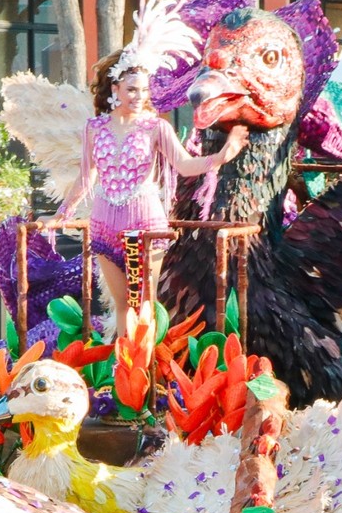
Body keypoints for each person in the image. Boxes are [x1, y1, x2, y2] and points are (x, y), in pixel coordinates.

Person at [59, 31, 247, 322]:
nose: (139, 97)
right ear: (115, 88)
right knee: (122, 305)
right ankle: (123, 367)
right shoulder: (94, 128)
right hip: (103, 223)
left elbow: (183, 165)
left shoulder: (155, 127)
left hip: (145, 224)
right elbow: (86, 179)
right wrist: (61, 214)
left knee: (144, 304)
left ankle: (143, 367)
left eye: (144, 90)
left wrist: (222, 156)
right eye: (132, 89)